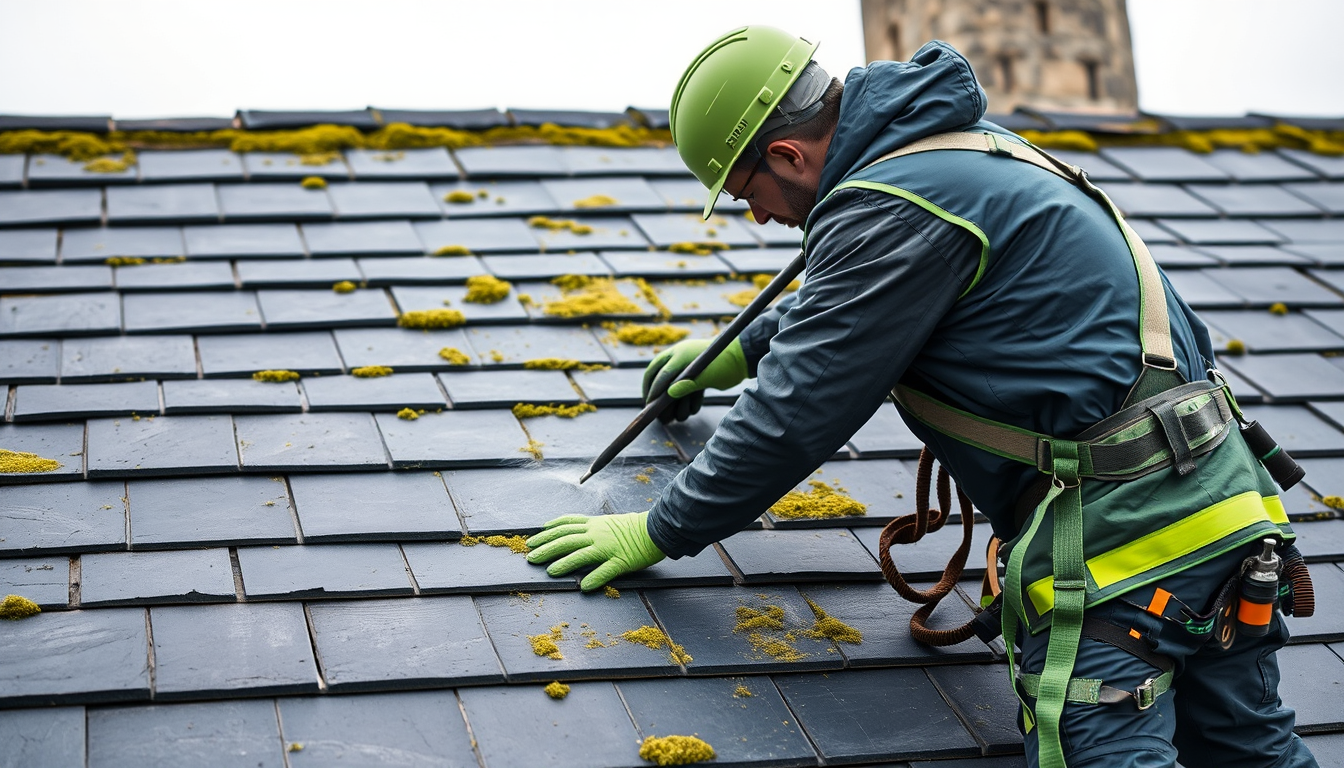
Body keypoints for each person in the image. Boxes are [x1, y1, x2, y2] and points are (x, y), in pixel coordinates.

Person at [526, 26, 1317, 768]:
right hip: (1224, 514)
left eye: (746, 194)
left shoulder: (888, 204)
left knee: (1101, 745)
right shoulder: (963, 155)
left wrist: (662, 527)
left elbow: (795, 412)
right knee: (1249, 749)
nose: (759, 215)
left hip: (1127, 549)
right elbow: (868, 300)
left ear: (788, 154)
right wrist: (735, 350)